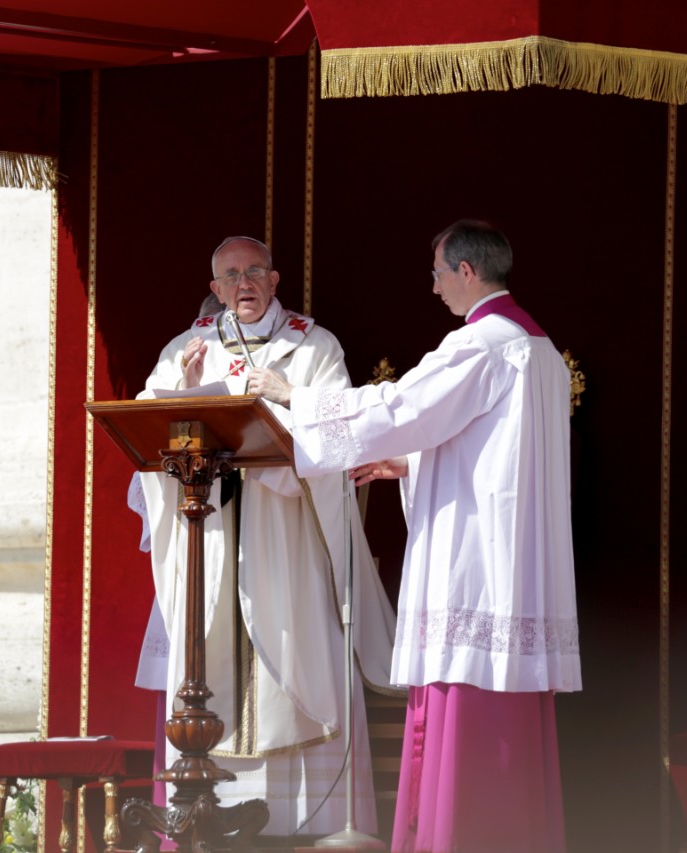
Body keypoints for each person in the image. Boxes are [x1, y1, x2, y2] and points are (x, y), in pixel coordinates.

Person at [248, 220, 581, 852]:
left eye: (436, 274)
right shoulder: (537, 348)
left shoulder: (479, 344)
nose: (432, 289)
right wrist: (412, 464)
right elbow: (490, 451)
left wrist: (298, 397)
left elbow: (402, 407)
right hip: (515, 563)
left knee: (468, 703)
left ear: (465, 272)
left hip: (479, 564)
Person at [137, 236, 397, 836]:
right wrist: (182, 392)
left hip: (285, 539)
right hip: (212, 532)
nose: (243, 283)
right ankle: (205, 815)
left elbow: (340, 433)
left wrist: (285, 405)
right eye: (230, 276)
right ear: (215, 288)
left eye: (254, 271)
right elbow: (149, 425)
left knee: (291, 647)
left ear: (276, 281)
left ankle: (299, 822)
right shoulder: (187, 348)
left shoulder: (312, 346)